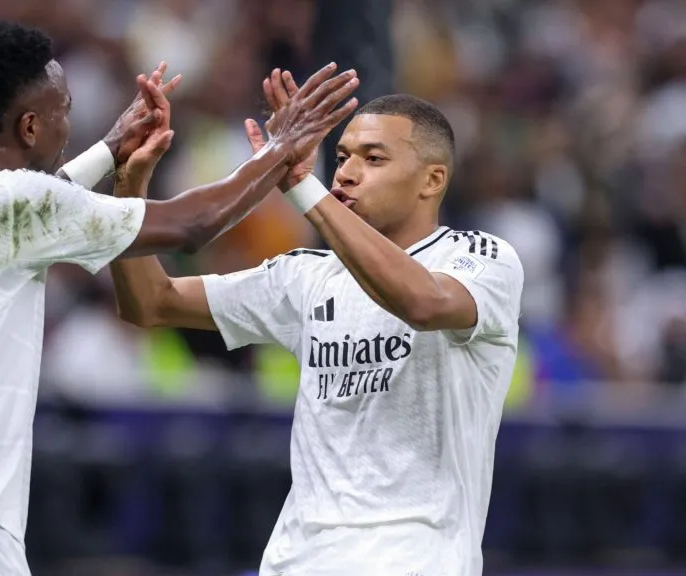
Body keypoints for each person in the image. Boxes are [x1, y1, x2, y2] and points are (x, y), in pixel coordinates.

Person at [0, 20, 360, 576]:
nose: (68, 127)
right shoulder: (9, 208)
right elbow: (191, 225)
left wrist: (110, 149)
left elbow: (16, 217)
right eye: (63, 112)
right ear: (28, 126)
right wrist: (282, 148)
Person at [111, 70, 525, 576]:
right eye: (344, 155)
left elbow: (423, 302)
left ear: (433, 180)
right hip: (295, 560)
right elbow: (152, 302)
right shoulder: (306, 276)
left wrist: (303, 187)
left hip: (414, 559)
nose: (346, 172)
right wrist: (129, 186)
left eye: (373, 158)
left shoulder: (481, 258)